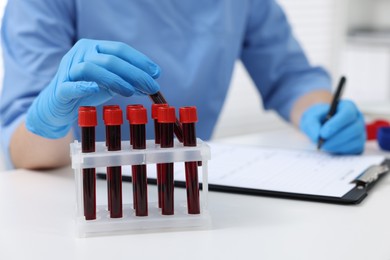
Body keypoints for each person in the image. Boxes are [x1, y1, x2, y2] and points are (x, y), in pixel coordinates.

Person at [0, 0, 365, 170]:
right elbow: (23, 150)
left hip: (190, 190)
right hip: (76, 198)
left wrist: (321, 111)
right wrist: (49, 119)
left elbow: (290, 76)